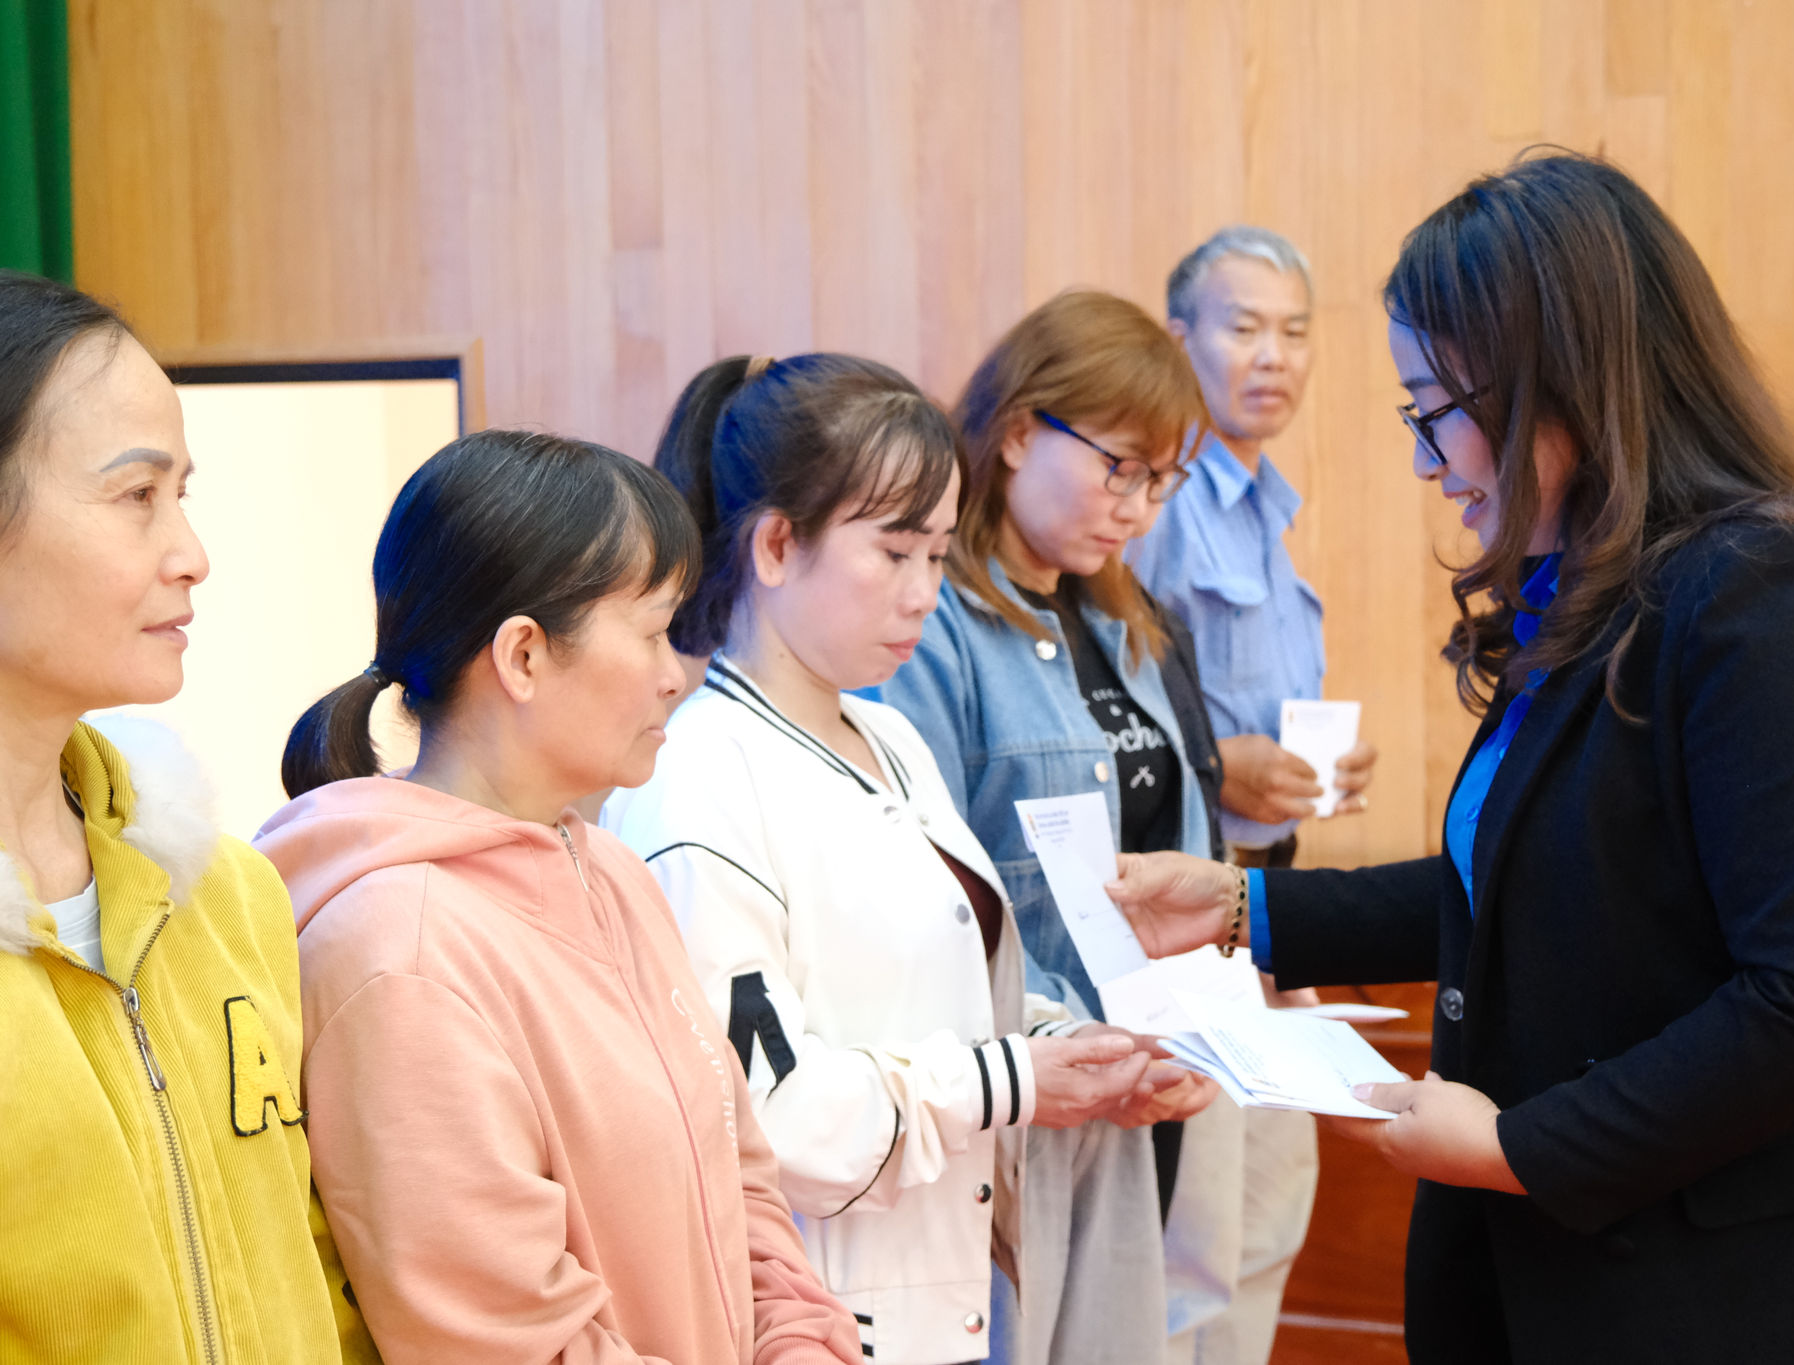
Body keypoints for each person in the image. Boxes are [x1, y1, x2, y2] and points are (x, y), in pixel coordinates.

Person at [1104, 152, 1794, 1365]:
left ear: (1560, 386)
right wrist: (1245, 909)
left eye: (1433, 410)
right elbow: (1532, 883)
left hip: (1756, 1291)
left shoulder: (1772, 597)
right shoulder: (1600, 592)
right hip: (1593, 1274)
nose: (1427, 461)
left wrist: (1516, 1148)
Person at [603, 352, 1165, 1365]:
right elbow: (767, 1118)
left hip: (952, 1292)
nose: (923, 594)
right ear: (777, 544)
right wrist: (1012, 1079)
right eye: (895, 551)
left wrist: (1073, 1047)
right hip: (816, 1318)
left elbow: (942, 990)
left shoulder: (887, 734)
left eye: (939, 555)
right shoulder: (695, 773)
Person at [257, 429, 863, 1365]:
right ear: (524, 656)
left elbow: (738, 1176)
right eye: (653, 632)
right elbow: (505, 1340)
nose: (676, 672)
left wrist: (800, 1344)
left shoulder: (611, 870)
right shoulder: (399, 953)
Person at [0, 271, 370, 1362]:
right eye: (136, 496)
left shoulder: (223, 890)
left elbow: (320, 1270)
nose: (191, 555)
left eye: (182, 493)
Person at [876, 289, 1240, 1365]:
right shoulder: (931, 623)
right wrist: (1069, 1045)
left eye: (1159, 481)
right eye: (1118, 467)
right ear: (1018, 431)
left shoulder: (1124, 619)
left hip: (1146, 1068)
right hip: (1026, 1084)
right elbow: (931, 886)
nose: (1136, 508)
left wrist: (1191, 1030)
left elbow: (1181, 845)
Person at [1129, 224, 1378, 1364]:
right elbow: (1129, 707)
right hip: (1187, 917)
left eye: (1293, 331)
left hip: (1269, 908)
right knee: (1201, 1242)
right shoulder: (1155, 505)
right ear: (1178, 337)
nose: (1272, 355)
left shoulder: (1265, 503)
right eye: (1243, 328)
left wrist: (1321, 768)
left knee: (1269, 1212)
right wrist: (1216, 763)